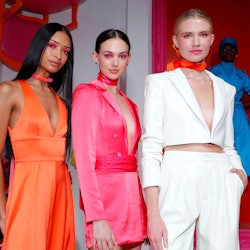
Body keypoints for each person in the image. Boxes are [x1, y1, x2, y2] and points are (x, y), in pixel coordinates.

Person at [141, 8, 248, 250]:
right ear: (175, 41)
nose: (196, 42)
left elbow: (228, 144)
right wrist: (152, 212)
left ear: (211, 38)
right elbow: (151, 146)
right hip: (177, 172)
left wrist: (238, 179)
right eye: (187, 35)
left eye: (203, 34)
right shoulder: (160, 83)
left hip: (222, 176)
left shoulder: (225, 89)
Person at [0, 22, 75, 249]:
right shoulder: (9, 91)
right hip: (27, 198)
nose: (58, 55)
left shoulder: (62, 103)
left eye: (65, 51)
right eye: (52, 46)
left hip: (60, 199)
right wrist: (3, 215)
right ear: (39, 45)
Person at [72, 29, 147, 250]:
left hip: (132, 202)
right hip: (105, 203)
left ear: (129, 59)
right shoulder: (87, 94)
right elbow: (85, 163)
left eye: (122, 56)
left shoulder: (130, 104)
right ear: (95, 57)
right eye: (108, 55)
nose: (115, 62)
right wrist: (96, 217)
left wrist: (143, 211)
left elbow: (132, 162)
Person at [209, 37, 250, 176]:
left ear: (236, 53)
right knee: (219, 144)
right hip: (219, 114)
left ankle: (242, 174)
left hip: (238, 117)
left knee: (242, 146)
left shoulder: (241, 75)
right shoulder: (211, 73)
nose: (228, 51)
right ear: (220, 52)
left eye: (231, 49)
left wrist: (240, 106)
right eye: (225, 49)